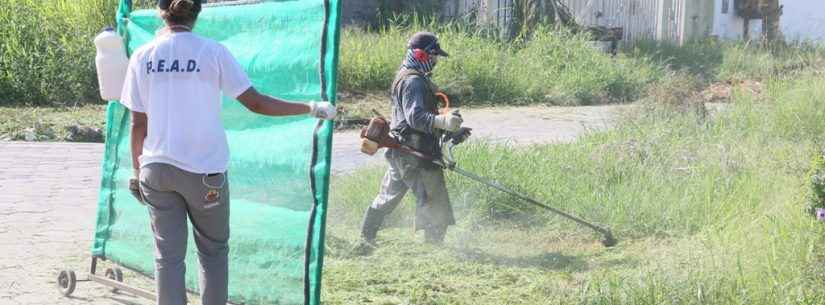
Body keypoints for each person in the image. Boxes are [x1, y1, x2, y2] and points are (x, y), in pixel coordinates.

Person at [119, 0, 336, 304]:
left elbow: (137, 124)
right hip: (204, 173)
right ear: (197, 12)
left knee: (167, 258)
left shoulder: (142, 56)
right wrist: (311, 107)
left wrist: (136, 171)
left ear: (161, 11)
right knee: (213, 252)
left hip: (156, 170)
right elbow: (256, 103)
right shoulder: (212, 52)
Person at [358, 32, 463, 250]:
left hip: (401, 149)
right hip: (412, 151)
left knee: (388, 196)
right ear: (421, 55)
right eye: (434, 56)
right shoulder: (413, 81)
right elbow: (415, 118)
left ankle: (365, 238)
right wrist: (443, 121)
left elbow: (414, 119)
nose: (436, 61)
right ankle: (434, 249)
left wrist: (449, 130)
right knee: (433, 198)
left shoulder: (408, 75)